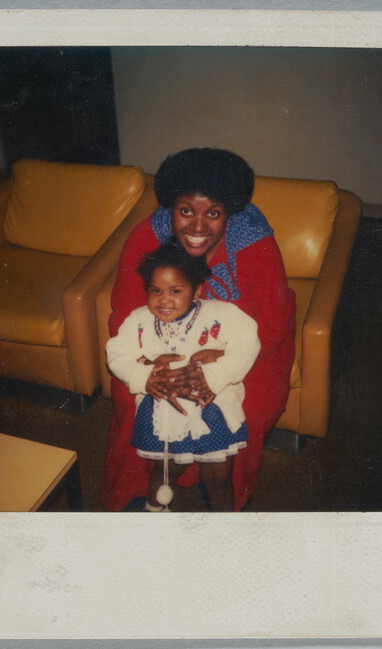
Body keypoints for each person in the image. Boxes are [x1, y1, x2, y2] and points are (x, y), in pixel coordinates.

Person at [100, 147, 296, 512]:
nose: (198, 227)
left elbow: (270, 330)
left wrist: (215, 367)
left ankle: (224, 496)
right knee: (132, 399)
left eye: (213, 214)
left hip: (245, 353)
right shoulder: (146, 237)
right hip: (157, 349)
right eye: (186, 211)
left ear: (229, 213)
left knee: (249, 408)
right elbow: (124, 315)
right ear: (171, 208)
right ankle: (140, 489)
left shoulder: (256, 245)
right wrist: (150, 370)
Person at [106, 240, 261, 512]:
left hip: (212, 406)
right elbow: (116, 352)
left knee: (217, 476)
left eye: (175, 291)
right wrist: (144, 376)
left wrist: (216, 373)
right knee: (166, 469)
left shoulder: (220, 313)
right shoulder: (139, 320)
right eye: (155, 291)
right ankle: (154, 511)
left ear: (197, 290)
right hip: (166, 411)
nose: (164, 300)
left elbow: (248, 341)